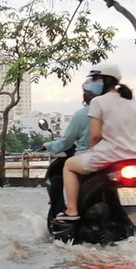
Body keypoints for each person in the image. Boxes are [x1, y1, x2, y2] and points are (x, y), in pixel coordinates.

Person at [56, 63, 136, 222]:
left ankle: (71, 211)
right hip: (132, 157)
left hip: (108, 156)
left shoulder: (98, 102)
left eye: (95, 78)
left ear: (106, 80)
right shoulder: (132, 102)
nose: (92, 82)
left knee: (69, 166)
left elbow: (95, 136)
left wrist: (92, 152)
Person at [43, 83, 96, 156]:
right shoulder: (111, 111)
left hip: (84, 156)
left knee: (67, 165)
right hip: (110, 157)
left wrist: (50, 146)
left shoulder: (81, 114)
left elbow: (67, 141)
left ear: (85, 96)